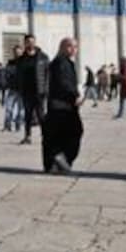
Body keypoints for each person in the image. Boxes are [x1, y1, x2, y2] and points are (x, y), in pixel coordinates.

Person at [43, 38, 84, 174]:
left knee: (58, 135)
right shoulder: (62, 63)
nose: (73, 49)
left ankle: (55, 165)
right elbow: (64, 83)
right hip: (63, 105)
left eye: (75, 46)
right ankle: (62, 157)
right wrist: (75, 96)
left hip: (60, 105)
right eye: (70, 46)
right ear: (62, 47)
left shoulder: (63, 62)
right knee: (75, 131)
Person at [15, 35, 48, 144]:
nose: (30, 44)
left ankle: (45, 136)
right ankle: (27, 136)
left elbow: (48, 74)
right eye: (28, 42)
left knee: (41, 114)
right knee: (27, 115)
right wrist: (19, 89)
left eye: (32, 41)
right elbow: (18, 75)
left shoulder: (43, 57)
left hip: (39, 91)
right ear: (25, 43)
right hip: (26, 91)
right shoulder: (21, 59)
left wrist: (47, 89)